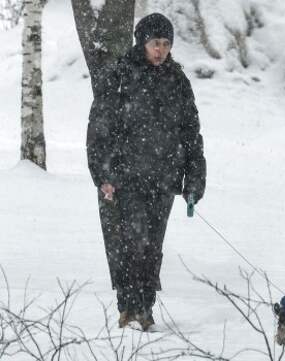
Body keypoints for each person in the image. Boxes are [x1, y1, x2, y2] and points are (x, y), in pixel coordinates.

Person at [86, 13, 206, 331]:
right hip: (126, 180)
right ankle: (128, 309)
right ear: (142, 43)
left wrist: (193, 181)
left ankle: (146, 309)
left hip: (164, 181)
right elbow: (100, 130)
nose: (161, 50)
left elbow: (191, 135)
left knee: (153, 247)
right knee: (131, 244)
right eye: (156, 44)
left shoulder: (177, 81)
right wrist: (104, 174)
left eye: (166, 44)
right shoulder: (120, 75)